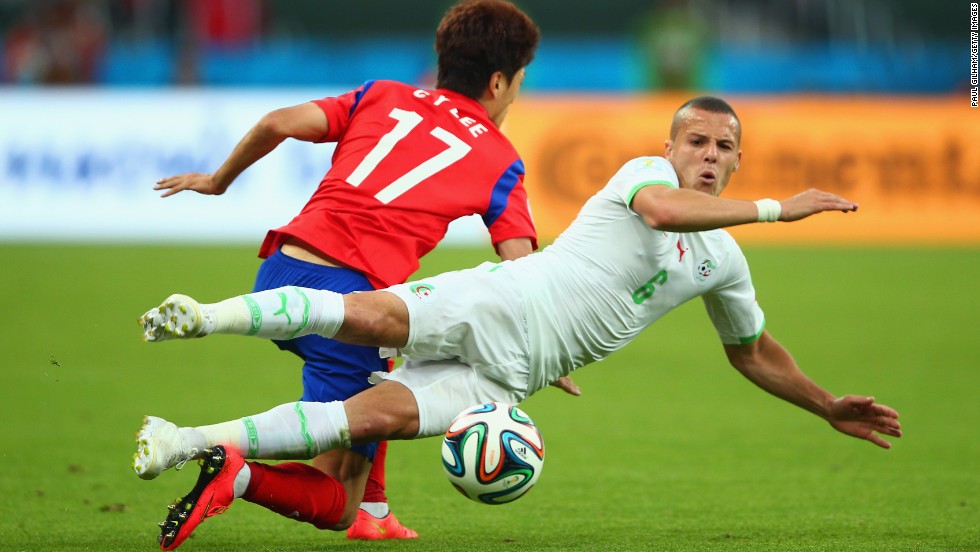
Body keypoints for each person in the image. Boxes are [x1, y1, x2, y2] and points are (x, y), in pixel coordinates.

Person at [135, 96, 902, 550]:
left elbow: (754, 351)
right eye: (694, 141)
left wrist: (827, 404)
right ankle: (202, 316)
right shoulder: (645, 176)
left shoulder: (723, 263)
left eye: (722, 147)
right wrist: (780, 208)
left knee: (353, 421)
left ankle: (186, 442)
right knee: (363, 316)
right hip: (499, 301)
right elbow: (666, 211)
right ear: (668, 147)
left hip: (504, 381)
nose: (706, 154)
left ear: (737, 159)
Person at [133, 0, 583, 545]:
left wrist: (218, 181)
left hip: (280, 270)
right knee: (340, 485)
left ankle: (377, 511)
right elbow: (524, 273)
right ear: (497, 82)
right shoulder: (501, 159)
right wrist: (544, 346)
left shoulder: (382, 94)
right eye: (518, 82)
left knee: (387, 365)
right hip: (350, 303)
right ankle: (229, 467)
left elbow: (277, 122)